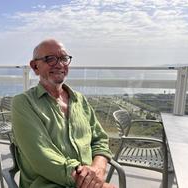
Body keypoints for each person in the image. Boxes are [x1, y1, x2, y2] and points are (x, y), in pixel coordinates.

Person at [11, 39, 116, 188]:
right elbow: (42, 156)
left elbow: (99, 139)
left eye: (64, 58)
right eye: (50, 59)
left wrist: (97, 168)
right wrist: (94, 183)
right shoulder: (23, 103)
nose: (60, 64)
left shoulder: (79, 100)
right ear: (35, 67)